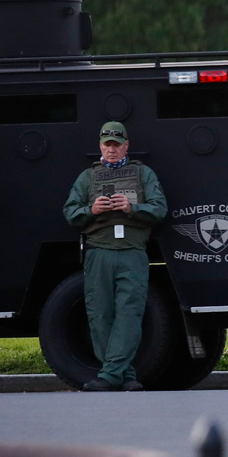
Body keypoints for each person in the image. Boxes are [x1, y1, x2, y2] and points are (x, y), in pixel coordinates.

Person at [62, 121, 167, 392]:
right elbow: (70, 212)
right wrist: (92, 209)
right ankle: (127, 376)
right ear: (100, 146)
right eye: (107, 145)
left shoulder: (144, 174)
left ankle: (109, 376)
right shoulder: (87, 178)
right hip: (100, 252)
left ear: (126, 146)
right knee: (100, 315)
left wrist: (131, 207)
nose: (111, 150)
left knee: (130, 314)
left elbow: (159, 209)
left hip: (132, 253)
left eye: (117, 145)